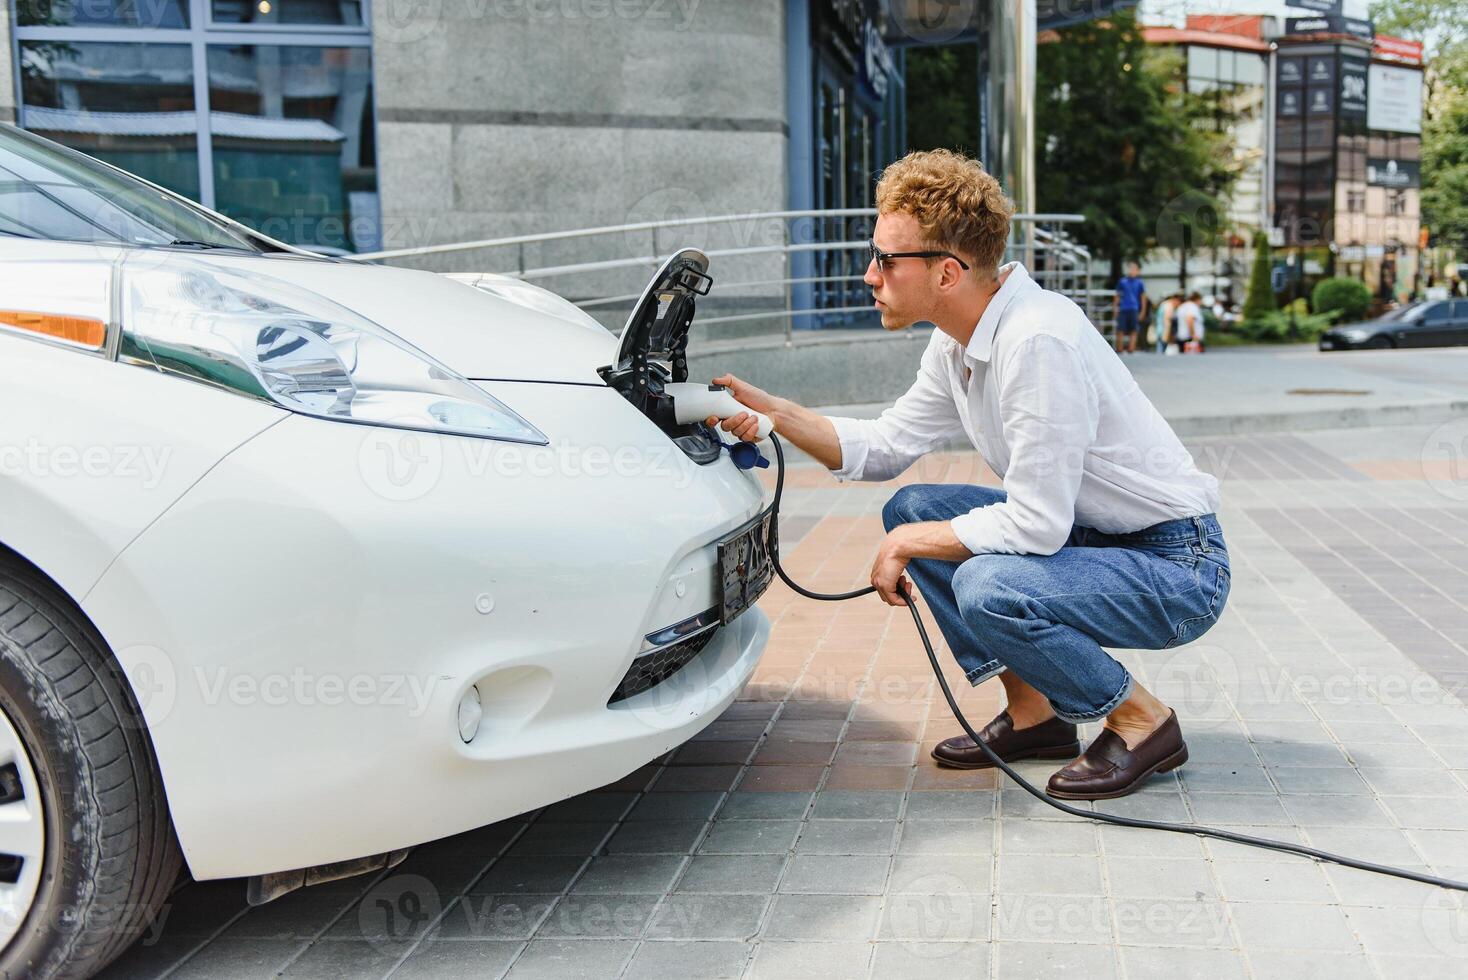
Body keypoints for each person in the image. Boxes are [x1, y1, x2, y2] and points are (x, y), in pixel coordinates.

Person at [707, 150, 1227, 801]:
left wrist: (908, 546)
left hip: (1177, 567)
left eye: (886, 260)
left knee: (986, 581)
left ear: (947, 272)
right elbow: (885, 446)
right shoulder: (959, 340)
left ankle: (1141, 721)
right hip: (1095, 541)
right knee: (914, 505)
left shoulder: (1038, 343)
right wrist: (774, 412)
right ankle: (1038, 717)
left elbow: (1036, 525)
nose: (870, 275)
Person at [1113, 262, 1147, 355]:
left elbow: (1143, 297)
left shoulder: (1140, 283)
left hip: (1134, 308)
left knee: (1134, 329)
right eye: (1130, 268)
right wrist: (1115, 308)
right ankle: (1119, 349)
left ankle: (1131, 349)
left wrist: (1143, 311)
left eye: (1134, 269)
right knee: (1120, 329)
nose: (1132, 271)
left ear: (1138, 271)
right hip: (1123, 308)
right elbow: (1117, 296)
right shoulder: (1122, 281)